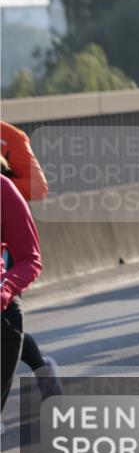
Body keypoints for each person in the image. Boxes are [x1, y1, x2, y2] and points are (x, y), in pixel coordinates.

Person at [0, 121, 62, 398]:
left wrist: (5, 185)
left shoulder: (10, 136)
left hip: (10, 234)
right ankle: (41, 367)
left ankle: (40, 367)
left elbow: (38, 188)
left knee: (7, 313)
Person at [1, 169, 43, 414]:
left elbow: (30, 259)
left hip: (2, 314)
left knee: (9, 325)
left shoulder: (3, 189)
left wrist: (5, 288)